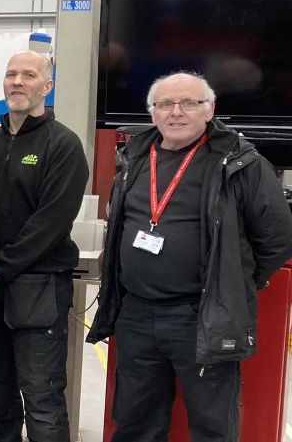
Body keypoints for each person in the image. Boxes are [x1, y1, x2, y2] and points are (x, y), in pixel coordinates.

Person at [88, 71, 292, 442]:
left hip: (201, 316)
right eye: (165, 104)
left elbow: (277, 235)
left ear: (209, 109)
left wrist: (235, 280)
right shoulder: (134, 157)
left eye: (189, 103)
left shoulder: (239, 162)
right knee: (134, 423)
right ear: (152, 112)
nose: (176, 112)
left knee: (212, 427)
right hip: (136, 314)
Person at [0, 51, 89, 442]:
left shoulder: (63, 145)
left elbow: (51, 223)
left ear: (47, 86)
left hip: (38, 288)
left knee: (42, 397)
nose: (17, 82)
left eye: (28, 75)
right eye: (11, 74)